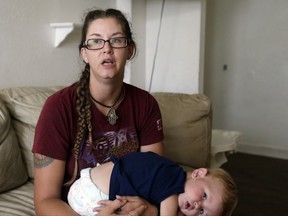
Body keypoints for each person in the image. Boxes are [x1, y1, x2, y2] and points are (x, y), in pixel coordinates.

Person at [32, 8, 164, 216]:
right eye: (95, 41)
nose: (107, 49)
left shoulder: (145, 104)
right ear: (84, 53)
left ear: (130, 50)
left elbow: (157, 178)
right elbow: (45, 201)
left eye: (117, 40)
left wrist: (148, 210)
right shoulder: (58, 108)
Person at [68, 151, 238, 216]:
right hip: (93, 192)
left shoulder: (169, 187)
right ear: (198, 173)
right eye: (204, 196)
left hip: (87, 190)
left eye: (202, 212)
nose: (196, 204)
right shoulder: (173, 176)